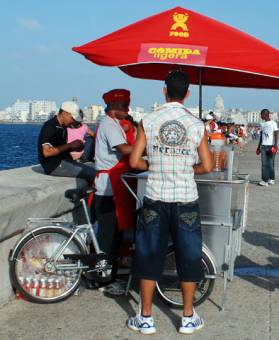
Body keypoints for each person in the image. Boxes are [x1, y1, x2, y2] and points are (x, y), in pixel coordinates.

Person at [127, 70, 213, 335]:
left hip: (155, 197)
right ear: (187, 94)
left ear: (164, 91)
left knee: (149, 255)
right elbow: (207, 166)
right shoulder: (196, 124)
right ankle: (187, 317)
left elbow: (133, 162)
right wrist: (188, 170)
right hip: (185, 198)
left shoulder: (149, 120)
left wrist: (153, 166)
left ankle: (145, 317)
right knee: (188, 256)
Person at [93, 89, 135, 295]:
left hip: (114, 185)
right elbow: (124, 149)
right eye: (123, 106)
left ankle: (109, 277)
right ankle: (101, 280)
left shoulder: (114, 123)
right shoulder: (109, 125)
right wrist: (145, 149)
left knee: (116, 236)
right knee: (106, 239)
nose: (127, 108)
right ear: (112, 108)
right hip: (107, 187)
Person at [37, 101, 96, 183]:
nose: (73, 122)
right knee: (92, 174)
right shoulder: (50, 126)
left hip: (64, 161)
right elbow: (47, 152)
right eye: (72, 118)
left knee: (92, 171)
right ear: (64, 113)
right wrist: (70, 145)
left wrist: (76, 147)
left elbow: (62, 147)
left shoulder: (63, 127)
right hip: (54, 165)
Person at [256, 109, 279, 186]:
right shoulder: (262, 124)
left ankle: (271, 178)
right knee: (264, 164)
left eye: (261, 115)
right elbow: (261, 136)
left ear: (265, 114)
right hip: (263, 146)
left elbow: (276, 134)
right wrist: (258, 147)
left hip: (271, 146)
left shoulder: (273, 123)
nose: (261, 116)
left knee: (271, 164)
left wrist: (275, 145)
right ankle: (264, 180)